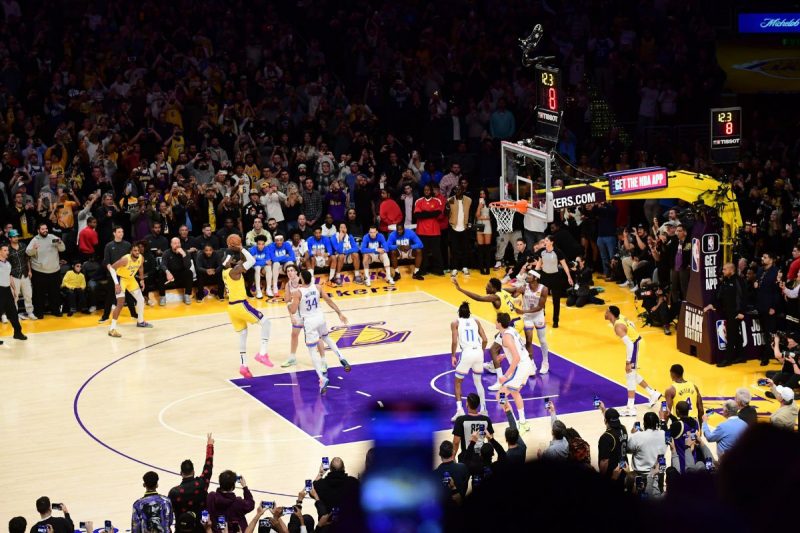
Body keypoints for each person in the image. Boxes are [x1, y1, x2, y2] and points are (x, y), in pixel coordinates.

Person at [453, 277, 521, 391]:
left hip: (512, 324)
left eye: (488, 286)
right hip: (517, 321)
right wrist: (517, 295)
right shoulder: (503, 291)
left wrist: (460, 289)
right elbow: (516, 289)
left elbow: (479, 298)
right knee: (496, 339)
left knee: (493, 350)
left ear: (494, 288)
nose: (486, 287)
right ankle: (495, 366)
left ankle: (500, 380)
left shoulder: (495, 296)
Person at [288, 269, 350, 393]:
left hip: (310, 322)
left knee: (312, 350)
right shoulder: (318, 287)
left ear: (302, 279)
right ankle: (341, 357)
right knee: (326, 337)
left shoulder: (298, 292)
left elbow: (293, 310)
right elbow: (329, 300)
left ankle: (322, 378)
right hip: (320, 317)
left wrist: (289, 304)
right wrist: (340, 313)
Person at [221, 242, 273, 378]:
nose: (235, 260)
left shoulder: (225, 272)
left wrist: (240, 252)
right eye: (233, 259)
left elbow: (243, 261)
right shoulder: (234, 271)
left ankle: (243, 365)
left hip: (231, 308)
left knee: (243, 334)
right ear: (230, 262)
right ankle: (262, 354)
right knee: (266, 323)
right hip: (241, 305)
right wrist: (241, 248)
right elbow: (252, 261)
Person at [604, 305, 661, 416]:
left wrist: (628, 362)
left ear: (611, 314)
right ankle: (652, 393)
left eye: (606, 312)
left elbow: (629, 344)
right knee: (632, 373)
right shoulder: (620, 317)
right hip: (637, 343)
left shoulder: (618, 327)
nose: (604, 313)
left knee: (630, 374)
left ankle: (631, 408)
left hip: (635, 345)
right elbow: (632, 324)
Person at [496, 312, 534, 433]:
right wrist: (504, 354)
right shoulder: (511, 330)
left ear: (500, 324)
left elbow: (516, 357)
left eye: (496, 320)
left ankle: (514, 424)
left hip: (521, 365)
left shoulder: (506, 337)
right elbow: (518, 347)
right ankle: (523, 422)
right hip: (527, 363)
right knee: (515, 392)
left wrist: (506, 375)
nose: (495, 322)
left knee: (500, 396)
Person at [450, 303, 489, 421]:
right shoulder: (476, 321)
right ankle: (483, 409)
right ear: (469, 313)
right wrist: (481, 351)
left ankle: (460, 410)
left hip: (467, 353)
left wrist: (453, 355)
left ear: (459, 313)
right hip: (478, 352)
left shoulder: (455, 323)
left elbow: (454, 342)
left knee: (458, 382)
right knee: (478, 382)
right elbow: (485, 339)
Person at [107, 242, 153, 337]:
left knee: (141, 300)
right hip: (121, 279)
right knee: (120, 303)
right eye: (135, 250)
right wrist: (116, 283)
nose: (137, 252)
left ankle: (140, 321)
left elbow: (140, 267)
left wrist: (142, 280)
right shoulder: (125, 259)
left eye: (138, 251)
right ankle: (112, 329)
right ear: (131, 251)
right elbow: (111, 268)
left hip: (130, 280)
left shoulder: (141, 258)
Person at [703, 262, 745, 366]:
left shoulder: (738, 281)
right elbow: (719, 294)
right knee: (735, 334)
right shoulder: (725, 281)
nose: (723, 271)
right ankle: (741, 356)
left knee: (730, 335)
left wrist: (741, 312)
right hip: (726, 311)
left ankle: (728, 359)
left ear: (731, 270)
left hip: (735, 312)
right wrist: (712, 304)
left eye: (725, 269)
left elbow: (743, 297)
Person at [511, 270, 550, 375]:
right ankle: (531, 363)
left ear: (535, 278)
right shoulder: (525, 287)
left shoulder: (544, 289)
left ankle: (545, 362)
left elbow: (540, 307)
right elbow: (514, 295)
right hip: (527, 317)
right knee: (528, 340)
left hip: (538, 316)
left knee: (542, 340)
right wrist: (503, 290)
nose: (527, 276)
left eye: (529, 275)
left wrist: (524, 311)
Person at [25, 223, 66, 318]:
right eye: (42, 229)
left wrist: (60, 242)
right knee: (39, 294)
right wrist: (34, 249)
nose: (45, 230)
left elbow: (63, 249)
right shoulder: (35, 240)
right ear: (38, 231)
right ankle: (39, 313)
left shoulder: (53, 237)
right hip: (39, 271)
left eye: (46, 228)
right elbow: (28, 252)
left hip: (54, 270)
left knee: (55, 293)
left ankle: (56, 311)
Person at [168, 433, 214, 515]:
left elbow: (170, 513)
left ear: (181, 473)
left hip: (182, 526)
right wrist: (210, 445)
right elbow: (208, 465)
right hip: (201, 525)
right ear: (193, 472)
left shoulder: (174, 492)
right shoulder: (202, 483)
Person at [534, 235, 573, 328]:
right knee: (542, 298)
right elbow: (539, 263)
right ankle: (541, 316)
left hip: (555, 277)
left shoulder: (558, 252)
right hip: (544, 276)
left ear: (551, 242)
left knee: (556, 300)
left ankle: (556, 320)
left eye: (546, 241)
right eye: (544, 241)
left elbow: (564, 265)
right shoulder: (541, 251)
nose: (544, 242)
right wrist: (534, 275)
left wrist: (569, 277)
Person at [451, 392, 493, 461]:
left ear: (467, 404)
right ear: (478, 405)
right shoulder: (486, 420)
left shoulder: (460, 420)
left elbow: (456, 442)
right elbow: (490, 440)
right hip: (481, 456)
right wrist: (488, 457)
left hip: (466, 457)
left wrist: (453, 457)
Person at [414, 184, 445, 276]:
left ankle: (439, 270)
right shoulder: (418, 201)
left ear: (431, 191)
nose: (426, 191)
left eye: (428, 190)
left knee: (436, 252)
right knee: (423, 253)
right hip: (422, 232)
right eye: (425, 190)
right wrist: (431, 213)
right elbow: (417, 215)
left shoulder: (437, 201)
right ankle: (423, 270)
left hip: (434, 231)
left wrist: (424, 213)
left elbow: (437, 213)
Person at [0, 244, 26, 342]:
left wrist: (14, 289)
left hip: (7, 290)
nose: (7, 252)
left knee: (13, 313)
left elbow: (9, 277)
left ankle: (18, 333)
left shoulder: (8, 263)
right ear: (0, 251)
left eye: (7, 250)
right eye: (5, 250)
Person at [596, 404, 628, 485]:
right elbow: (610, 420)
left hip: (613, 474)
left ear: (605, 421)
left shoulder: (606, 437)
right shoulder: (623, 429)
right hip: (623, 468)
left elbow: (604, 461)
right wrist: (603, 410)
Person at [7, 230, 35, 320]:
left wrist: (30, 270)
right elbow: (5, 263)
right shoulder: (7, 249)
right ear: (10, 238)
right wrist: (8, 276)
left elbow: (27, 259)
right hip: (13, 275)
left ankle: (30, 312)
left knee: (28, 294)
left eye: (17, 236)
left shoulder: (23, 245)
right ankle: (14, 315)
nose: (16, 238)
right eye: (14, 237)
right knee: (15, 296)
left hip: (25, 273)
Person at [446, 185, 473, 276]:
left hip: (465, 227)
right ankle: (454, 268)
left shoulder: (468, 200)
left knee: (465, 248)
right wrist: (447, 207)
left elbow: (471, 213)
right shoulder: (450, 200)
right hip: (454, 227)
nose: (457, 191)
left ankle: (465, 267)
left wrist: (470, 223)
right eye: (455, 189)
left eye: (459, 189)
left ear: (462, 190)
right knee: (454, 249)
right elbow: (445, 214)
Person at [159, 237, 194, 305]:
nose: (177, 245)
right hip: (170, 274)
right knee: (160, 273)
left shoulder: (185, 252)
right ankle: (162, 296)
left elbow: (188, 266)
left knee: (189, 272)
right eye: (175, 243)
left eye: (178, 243)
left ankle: (187, 295)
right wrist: (167, 272)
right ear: (171, 244)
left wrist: (183, 255)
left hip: (181, 274)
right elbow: (162, 265)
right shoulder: (167, 252)